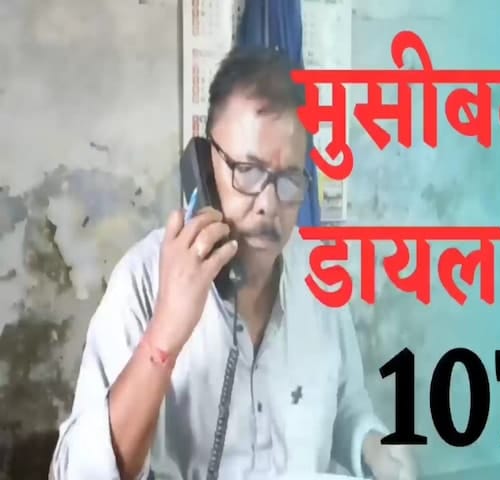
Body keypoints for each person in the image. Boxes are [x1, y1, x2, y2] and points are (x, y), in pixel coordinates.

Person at [49, 47, 417, 480]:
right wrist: (165, 332)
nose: (268, 203)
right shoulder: (142, 280)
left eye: (289, 179)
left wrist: (372, 447)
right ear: (204, 169)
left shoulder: (321, 278)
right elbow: (76, 473)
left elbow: (347, 407)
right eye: (248, 170)